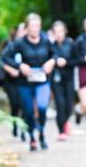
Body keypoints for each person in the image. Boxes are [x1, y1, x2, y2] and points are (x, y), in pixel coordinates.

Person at [4, 13, 56, 151]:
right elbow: (5, 57)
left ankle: (42, 133)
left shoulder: (45, 41)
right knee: (28, 111)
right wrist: (20, 66)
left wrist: (51, 62)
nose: (35, 29)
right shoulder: (20, 43)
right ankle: (32, 137)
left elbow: (55, 53)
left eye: (38, 26)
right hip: (25, 82)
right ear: (27, 28)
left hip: (42, 80)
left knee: (42, 107)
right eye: (33, 26)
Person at [50, 20, 78, 141]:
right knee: (60, 105)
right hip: (56, 79)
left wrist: (66, 62)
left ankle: (66, 122)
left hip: (69, 78)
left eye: (61, 31)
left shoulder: (71, 44)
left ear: (65, 32)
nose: (59, 34)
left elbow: (78, 60)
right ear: (53, 33)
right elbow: (47, 59)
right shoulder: (50, 46)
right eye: (56, 32)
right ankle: (61, 131)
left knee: (68, 106)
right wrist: (55, 61)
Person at [0, 25, 26, 139]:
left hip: (24, 80)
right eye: (21, 30)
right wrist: (11, 70)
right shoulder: (10, 45)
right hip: (10, 80)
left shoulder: (29, 45)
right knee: (15, 103)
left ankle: (23, 129)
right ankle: (14, 124)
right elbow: (1, 61)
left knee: (24, 104)